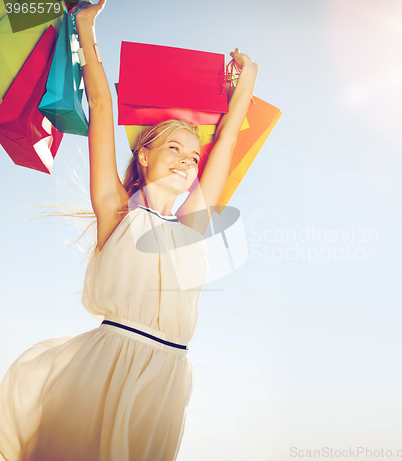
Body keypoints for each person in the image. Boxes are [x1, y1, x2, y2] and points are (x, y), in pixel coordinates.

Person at [0, 0, 259, 459]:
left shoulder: (193, 224)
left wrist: (247, 83)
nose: (186, 160)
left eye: (193, 157)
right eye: (175, 149)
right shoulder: (118, 212)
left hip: (170, 375)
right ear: (144, 155)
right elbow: (101, 104)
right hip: (109, 364)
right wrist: (85, 25)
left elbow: (231, 137)